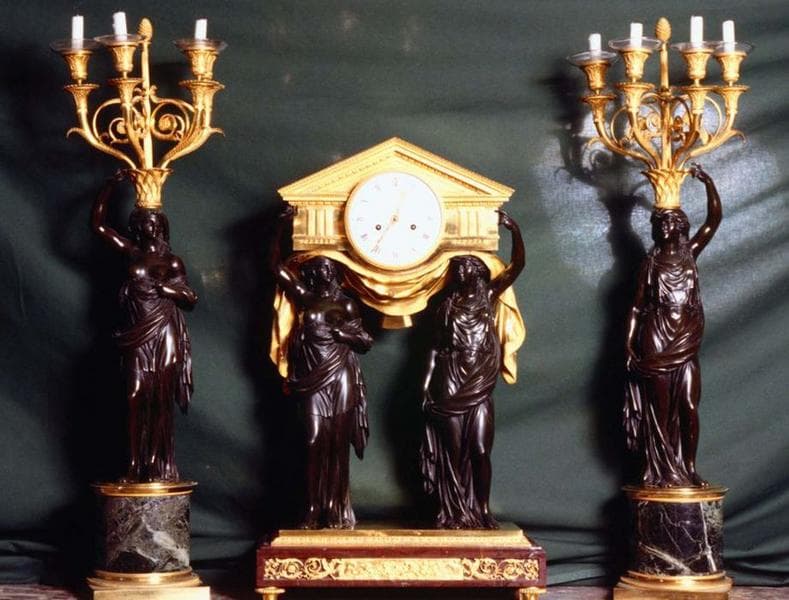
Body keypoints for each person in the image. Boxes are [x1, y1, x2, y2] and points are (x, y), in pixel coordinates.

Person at [420, 210, 525, 529]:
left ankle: (482, 509)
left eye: (468, 265)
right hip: (449, 380)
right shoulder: (446, 307)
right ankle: (452, 511)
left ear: (479, 272)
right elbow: (435, 348)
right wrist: (426, 387)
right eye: (459, 266)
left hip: (478, 382)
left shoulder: (489, 296)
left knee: (479, 449)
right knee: (452, 451)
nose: (462, 269)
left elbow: (517, 266)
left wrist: (513, 229)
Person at [92, 172, 197, 483]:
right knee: (136, 394)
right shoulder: (132, 252)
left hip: (164, 331)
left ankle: (160, 467)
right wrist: (110, 185)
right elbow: (99, 226)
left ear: (160, 225)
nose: (147, 226)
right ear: (136, 227)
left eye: (152, 222)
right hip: (136, 332)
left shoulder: (173, 262)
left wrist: (168, 290)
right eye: (142, 222)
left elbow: (190, 299)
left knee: (160, 397)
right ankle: (136, 466)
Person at [272, 206, 373, 529]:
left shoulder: (346, 304)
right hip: (311, 378)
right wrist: (281, 227)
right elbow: (276, 268)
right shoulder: (305, 297)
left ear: (335, 272)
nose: (323, 273)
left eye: (328, 268)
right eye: (318, 268)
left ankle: (337, 511)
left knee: (337, 443)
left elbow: (365, 342)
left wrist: (344, 335)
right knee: (314, 440)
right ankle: (314, 509)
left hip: (339, 376)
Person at [624, 164, 722, 488]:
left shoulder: (690, 253)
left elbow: (714, 220)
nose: (664, 226)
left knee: (689, 406)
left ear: (680, 226)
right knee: (660, 409)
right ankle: (656, 470)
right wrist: (629, 344)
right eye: (659, 222)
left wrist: (707, 181)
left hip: (685, 337)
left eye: (669, 221)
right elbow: (637, 306)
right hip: (656, 336)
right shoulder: (650, 264)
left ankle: (688, 468)